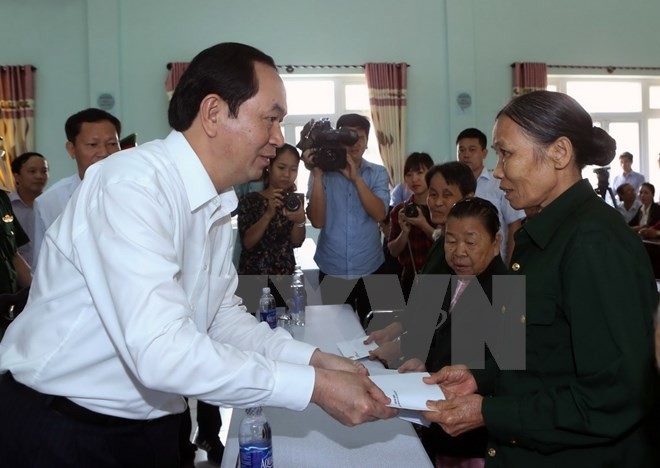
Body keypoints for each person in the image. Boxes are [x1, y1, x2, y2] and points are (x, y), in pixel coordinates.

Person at [0, 42, 397, 468]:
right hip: (66, 428)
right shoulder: (131, 187)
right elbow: (161, 351)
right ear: (213, 113)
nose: (280, 138)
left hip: (153, 425)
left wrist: (317, 361)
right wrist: (314, 386)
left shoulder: (212, 199)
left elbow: (220, 319)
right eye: (271, 118)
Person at [424, 90, 658, 467]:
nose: (497, 170)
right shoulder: (537, 237)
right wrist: (477, 378)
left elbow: (613, 398)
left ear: (560, 154)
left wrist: (489, 413)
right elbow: (535, 352)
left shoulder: (593, 242)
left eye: (506, 153)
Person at [399, 197, 507, 468]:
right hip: (440, 425)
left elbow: (509, 370)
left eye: (470, 242)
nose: (459, 252)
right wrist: (422, 362)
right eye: (450, 241)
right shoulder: (447, 279)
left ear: (496, 243)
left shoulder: (508, 290)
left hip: (474, 438)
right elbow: (440, 338)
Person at [366, 162, 476, 366]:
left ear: (468, 198)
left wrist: (401, 346)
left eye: (447, 195)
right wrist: (394, 329)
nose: (438, 202)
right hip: (422, 356)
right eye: (433, 194)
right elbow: (423, 304)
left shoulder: (467, 254)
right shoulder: (439, 243)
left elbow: (446, 323)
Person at [305, 113, 390, 324]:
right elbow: (317, 221)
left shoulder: (377, 173)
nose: (354, 144)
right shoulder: (322, 173)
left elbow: (380, 214)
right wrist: (316, 175)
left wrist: (356, 178)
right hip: (332, 266)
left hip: (370, 265)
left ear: (367, 141)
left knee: (375, 329)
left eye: (359, 137)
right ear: (336, 139)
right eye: (348, 138)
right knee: (334, 330)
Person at [32, 108, 121, 265]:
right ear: (71, 149)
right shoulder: (50, 202)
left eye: (112, 144)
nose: (104, 152)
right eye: (93, 145)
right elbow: (42, 265)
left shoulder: (137, 191)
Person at [237, 143, 306, 307]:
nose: (287, 175)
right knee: (251, 329)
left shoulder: (294, 201)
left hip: (285, 278)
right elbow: (247, 243)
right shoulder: (250, 200)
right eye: (281, 167)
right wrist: (268, 214)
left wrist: (299, 221)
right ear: (269, 166)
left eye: (293, 169)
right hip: (253, 279)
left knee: (288, 328)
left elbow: (296, 242)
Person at [456, 128, 524, 263]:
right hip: (460, 261)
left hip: (495, 262)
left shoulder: (499, 183)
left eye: (472, 150)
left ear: (484, 153)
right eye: (461, 150)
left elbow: (514, 225)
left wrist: (510, 265)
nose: (466, 155)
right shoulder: (452, 186)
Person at [387, 152, 435, 301]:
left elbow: (447, 243)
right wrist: (404, 232)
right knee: (411, 322)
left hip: (439, 274)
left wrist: (423, 224)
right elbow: (393, 251)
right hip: (411, 276)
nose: (414, 179)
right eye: (409, 174)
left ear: (431, 174)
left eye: (420, 173)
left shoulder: (440, 208)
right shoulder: (400, 210)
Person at [9, 151, 49, 266]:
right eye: (32, 171)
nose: (39, 176)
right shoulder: (7, 207)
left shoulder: (52, 204)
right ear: (17, 176)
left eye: (44, 171)